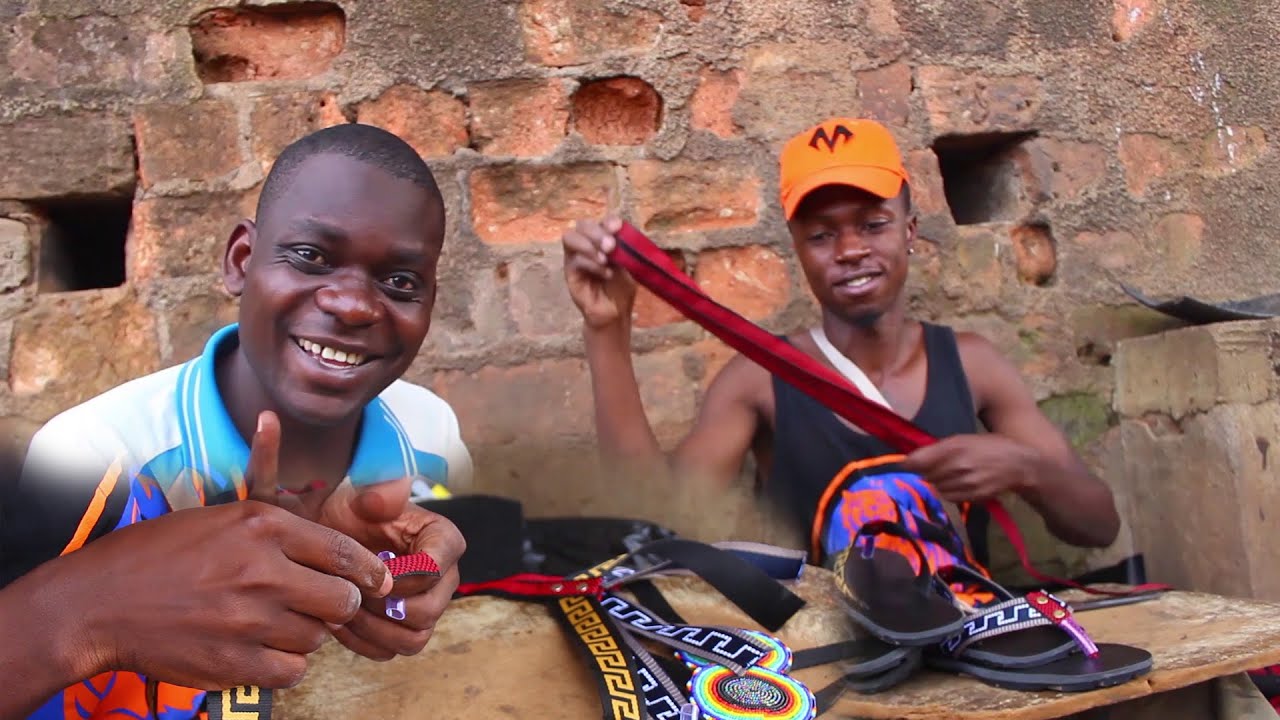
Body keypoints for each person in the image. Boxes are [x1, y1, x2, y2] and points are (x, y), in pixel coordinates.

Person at [1, 123, 470, 719]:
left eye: (401, 281)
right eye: (310, 256)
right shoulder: (93, 456)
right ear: (242, 261)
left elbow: (441, 579)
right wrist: (95, 612)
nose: (352, 304)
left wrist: (416, 589)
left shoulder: (430, 432)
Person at [559, 116, 1121, 581]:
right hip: (834, 677)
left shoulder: (973, 364)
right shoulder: (759, 381)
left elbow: (1098, 526)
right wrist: (607, 331)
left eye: (873, 223)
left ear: (910, 231)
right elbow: (653, 525)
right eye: (822, 235)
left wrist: (1027, 470)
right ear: (798, 252)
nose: (850, 249)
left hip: (970, 660)